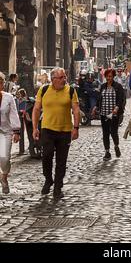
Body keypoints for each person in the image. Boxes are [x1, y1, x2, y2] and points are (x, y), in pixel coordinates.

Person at [32, 68, 80, 199]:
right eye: (61, 78)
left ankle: (58, 187)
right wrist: (35, 128)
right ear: (53, 79)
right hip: (47, 129)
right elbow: (36, 109)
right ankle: (48, 179)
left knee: (61, 161)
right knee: (46, 156)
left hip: (64, 131)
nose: (64, 80)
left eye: (65, 77)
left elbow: (76, 110)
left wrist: (76, 127)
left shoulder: (70, 91)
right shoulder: (44, 90)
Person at [92, 69, 125, 161]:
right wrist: (96, 107)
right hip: (104, 113)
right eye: (107, 76)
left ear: (113, 76)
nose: (108, 78)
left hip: (114, 114)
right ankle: (107, 152)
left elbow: (121, 99)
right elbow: (99, 98)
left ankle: (116, 146)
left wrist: (117, 108)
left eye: (110, 76)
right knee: (105, 133)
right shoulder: (103, 86)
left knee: (113, 132)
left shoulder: (118, 87)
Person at [0, 72, 21, 194]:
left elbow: (14, 114)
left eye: (1, 82)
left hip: (5, 132)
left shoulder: (8, 97)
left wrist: (16, 131)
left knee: (4, 158)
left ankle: (4, 176)